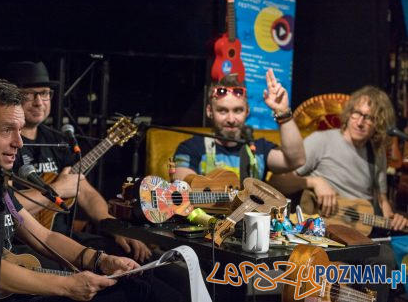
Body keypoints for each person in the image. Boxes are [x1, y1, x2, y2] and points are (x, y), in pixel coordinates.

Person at [0, 78, 150, 302]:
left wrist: (100, 260)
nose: (19, 142)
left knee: (138, 285)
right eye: (7, 130)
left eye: (20, 130)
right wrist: (67, 286)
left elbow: (44, 236)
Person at [269, 86, 408, 302]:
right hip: (323, 236)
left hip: (359, 235)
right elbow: (277, 182)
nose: (361, 122)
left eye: (369, 118)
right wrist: (315, 181)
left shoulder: (376, 154)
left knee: (385, 257)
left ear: (379, 124)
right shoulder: (321, 141)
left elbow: (381, 200)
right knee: (332, 276)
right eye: (357, 114)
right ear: (349, 112)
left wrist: (394, 218)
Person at [5, 61, 151, 263]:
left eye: (45, 93)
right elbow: (7, 205)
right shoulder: (8, 145)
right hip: (26, 242)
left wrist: (114, 227)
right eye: (29, 94)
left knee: (130, 254)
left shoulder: (61, 142)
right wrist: (56, 189)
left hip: (65, 237)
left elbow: (86, 193)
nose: (39, 102)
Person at [173, 69, 306, 183]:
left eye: (237, 110)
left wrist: (282, 111)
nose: (231, 119)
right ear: (209, 111)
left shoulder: (259, 149)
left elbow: (297, 161)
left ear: (247, 111)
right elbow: (183, 188)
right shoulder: (191, 148)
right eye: (222, 110)